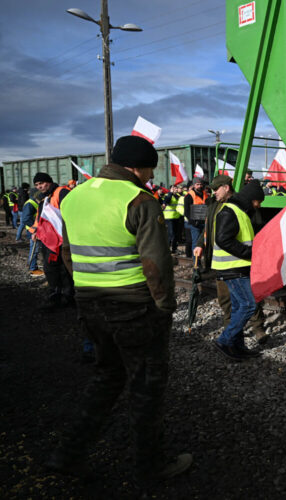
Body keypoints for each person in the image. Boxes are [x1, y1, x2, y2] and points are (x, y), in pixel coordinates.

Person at [48, 135, 191, 484]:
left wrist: (88, 289)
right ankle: (150, 467)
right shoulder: (139, 200)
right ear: (137, 167)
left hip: (90, 305)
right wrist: (165, 307)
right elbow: (155, 264)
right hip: (134, 309)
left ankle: (67, 454)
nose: (149, 177)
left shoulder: (75, 196)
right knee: (145, 387)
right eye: (148, 170)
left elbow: (67, 252)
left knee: (106, 377)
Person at [194, 175, 267, 343]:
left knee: (248, 300)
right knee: (228, 300)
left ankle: (257, 328)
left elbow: (253, 228)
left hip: (238, 262)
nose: (213, 192)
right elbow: (209, 228)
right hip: (225, 261)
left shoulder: (242, 205)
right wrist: (200, 243)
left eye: (216, 189)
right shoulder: (213, 205)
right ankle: (233, 337)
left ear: (226, 187)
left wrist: (254, 252)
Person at [211, 180, 265, 360]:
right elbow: (223, 239)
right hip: (232, 268)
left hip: (236, 267)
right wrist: (249, 253)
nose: (259, 205)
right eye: (258, 201)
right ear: (252, 198)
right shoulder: (230, 211)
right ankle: (224, 340)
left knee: (237, 309)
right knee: (249, 305)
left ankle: (238, 346)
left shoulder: (239, 211)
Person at [33, 173, 74, 308]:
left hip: (61, 238)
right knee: (53, 267)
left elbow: (70, 212)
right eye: (37, 185)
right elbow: (40, 218)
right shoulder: (46, 198)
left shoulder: (61, 192)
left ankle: (62, 295)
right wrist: (35, 231)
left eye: (41, 183)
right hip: (50, 239)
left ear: (49, 182)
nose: (40, 187)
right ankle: (60, 294)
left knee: (59, 267)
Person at [19, 190, 44, 276]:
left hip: (36, 230)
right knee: (34, 249)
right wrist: (35, 229)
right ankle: (33, 269)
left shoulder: (34, 202)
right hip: (33, 231)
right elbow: (25, 219)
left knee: (35, 249)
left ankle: (33, 266)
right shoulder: (30, 204)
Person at [184, 177, 208, 251]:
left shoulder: (206, 195)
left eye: (201, 184)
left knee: (205, 242)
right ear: (194, 185)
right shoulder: (189, 196)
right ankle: (197, 262)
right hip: (195, 224)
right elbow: (187, 212)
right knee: (196, 242)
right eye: (197, 184)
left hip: (204, 222)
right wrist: (193, 222)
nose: (199, 186)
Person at [161, 184, 183, 254]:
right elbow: (166, 201)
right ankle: (167, 249)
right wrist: (170, 193)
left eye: (176, 188)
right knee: (171, 234)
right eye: (174, 188)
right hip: (169, 218)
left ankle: (174, 249)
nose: (175, 189)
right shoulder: (167, 195)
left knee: (176, 234)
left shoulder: (179, 196)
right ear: (170, 189)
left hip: (177, 217)